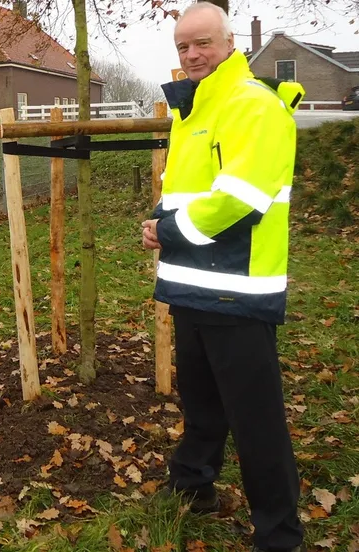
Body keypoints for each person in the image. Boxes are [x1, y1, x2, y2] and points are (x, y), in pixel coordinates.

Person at [141, 3, 306, 552]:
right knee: (202, 400)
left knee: (255, 419)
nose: (192, 55)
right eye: (183, 47)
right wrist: (163, 225)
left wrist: (170, 230)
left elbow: (240, 198)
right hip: (193, 285)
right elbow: (195, 191)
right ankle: (194, 487)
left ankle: (279, 534)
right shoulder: (193, 109)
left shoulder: (252, 105)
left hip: (239, 289)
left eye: (203, 43)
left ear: (229, 42)